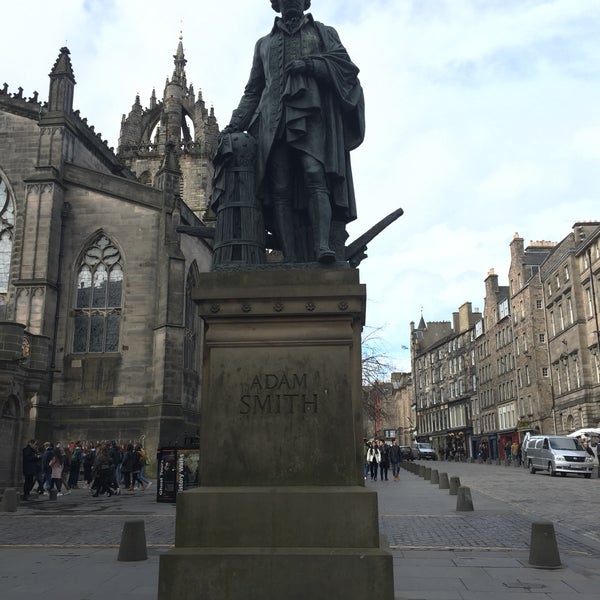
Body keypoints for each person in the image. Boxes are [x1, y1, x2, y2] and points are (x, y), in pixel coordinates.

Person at [221, 0, 365, 264]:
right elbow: (253, 90)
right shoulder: (263, 44)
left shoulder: (323, 32)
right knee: (280, 188)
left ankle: (322, 247)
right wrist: (234, 124)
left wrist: (310, 66)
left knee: (314, 174)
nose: (291, 3)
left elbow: (345, 69)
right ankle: (290, 256)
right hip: (272, 121)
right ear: (277, 5)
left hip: (311, 116)